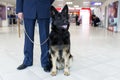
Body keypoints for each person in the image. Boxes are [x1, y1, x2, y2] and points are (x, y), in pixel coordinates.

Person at [16, 0, 54, 72]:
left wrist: (47, 2)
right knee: (28, 38)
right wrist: (19, 10)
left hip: (44, 7)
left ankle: (45, 62)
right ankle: (27, 60)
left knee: (45, 37)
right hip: (28, 7)